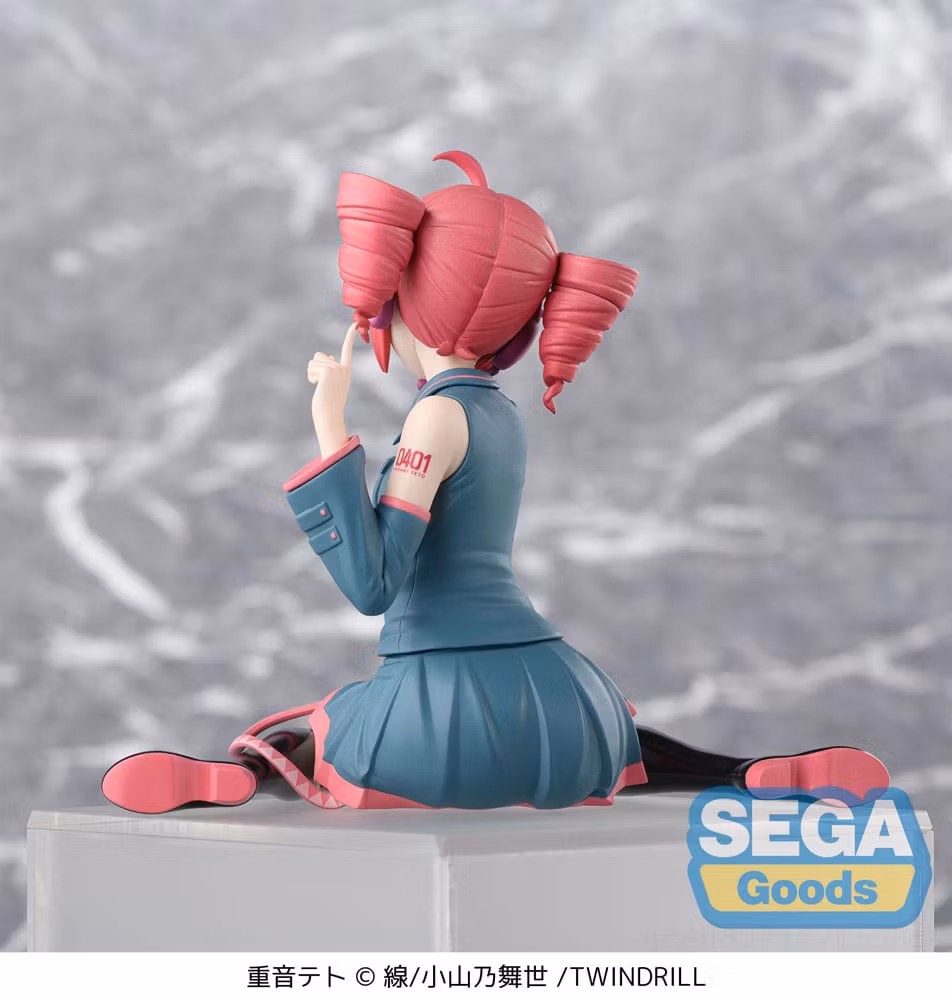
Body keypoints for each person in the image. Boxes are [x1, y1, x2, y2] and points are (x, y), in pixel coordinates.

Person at [102, 151, 889, 814]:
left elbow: (374, 584)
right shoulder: (502, 414)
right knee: (621, 745)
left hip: (431, 722)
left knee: (312, 733)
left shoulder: (434, 418)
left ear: (408, 297)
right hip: (563, 698)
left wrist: (329, 425)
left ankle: (240, 777)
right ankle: (739, 773)